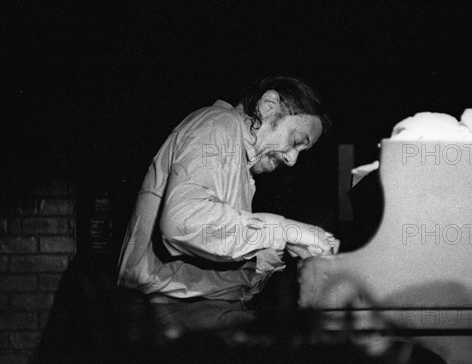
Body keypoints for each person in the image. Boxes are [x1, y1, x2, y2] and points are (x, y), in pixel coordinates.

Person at [117, 76, 339, 338]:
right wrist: (286, 230)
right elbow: (183, 222)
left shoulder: (236, 155)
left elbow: (214, 252)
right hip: (175, 313)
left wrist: (274, 252)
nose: (292, 159)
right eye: (295, 141)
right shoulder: (217, 125)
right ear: (268, 105)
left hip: (191, 310)